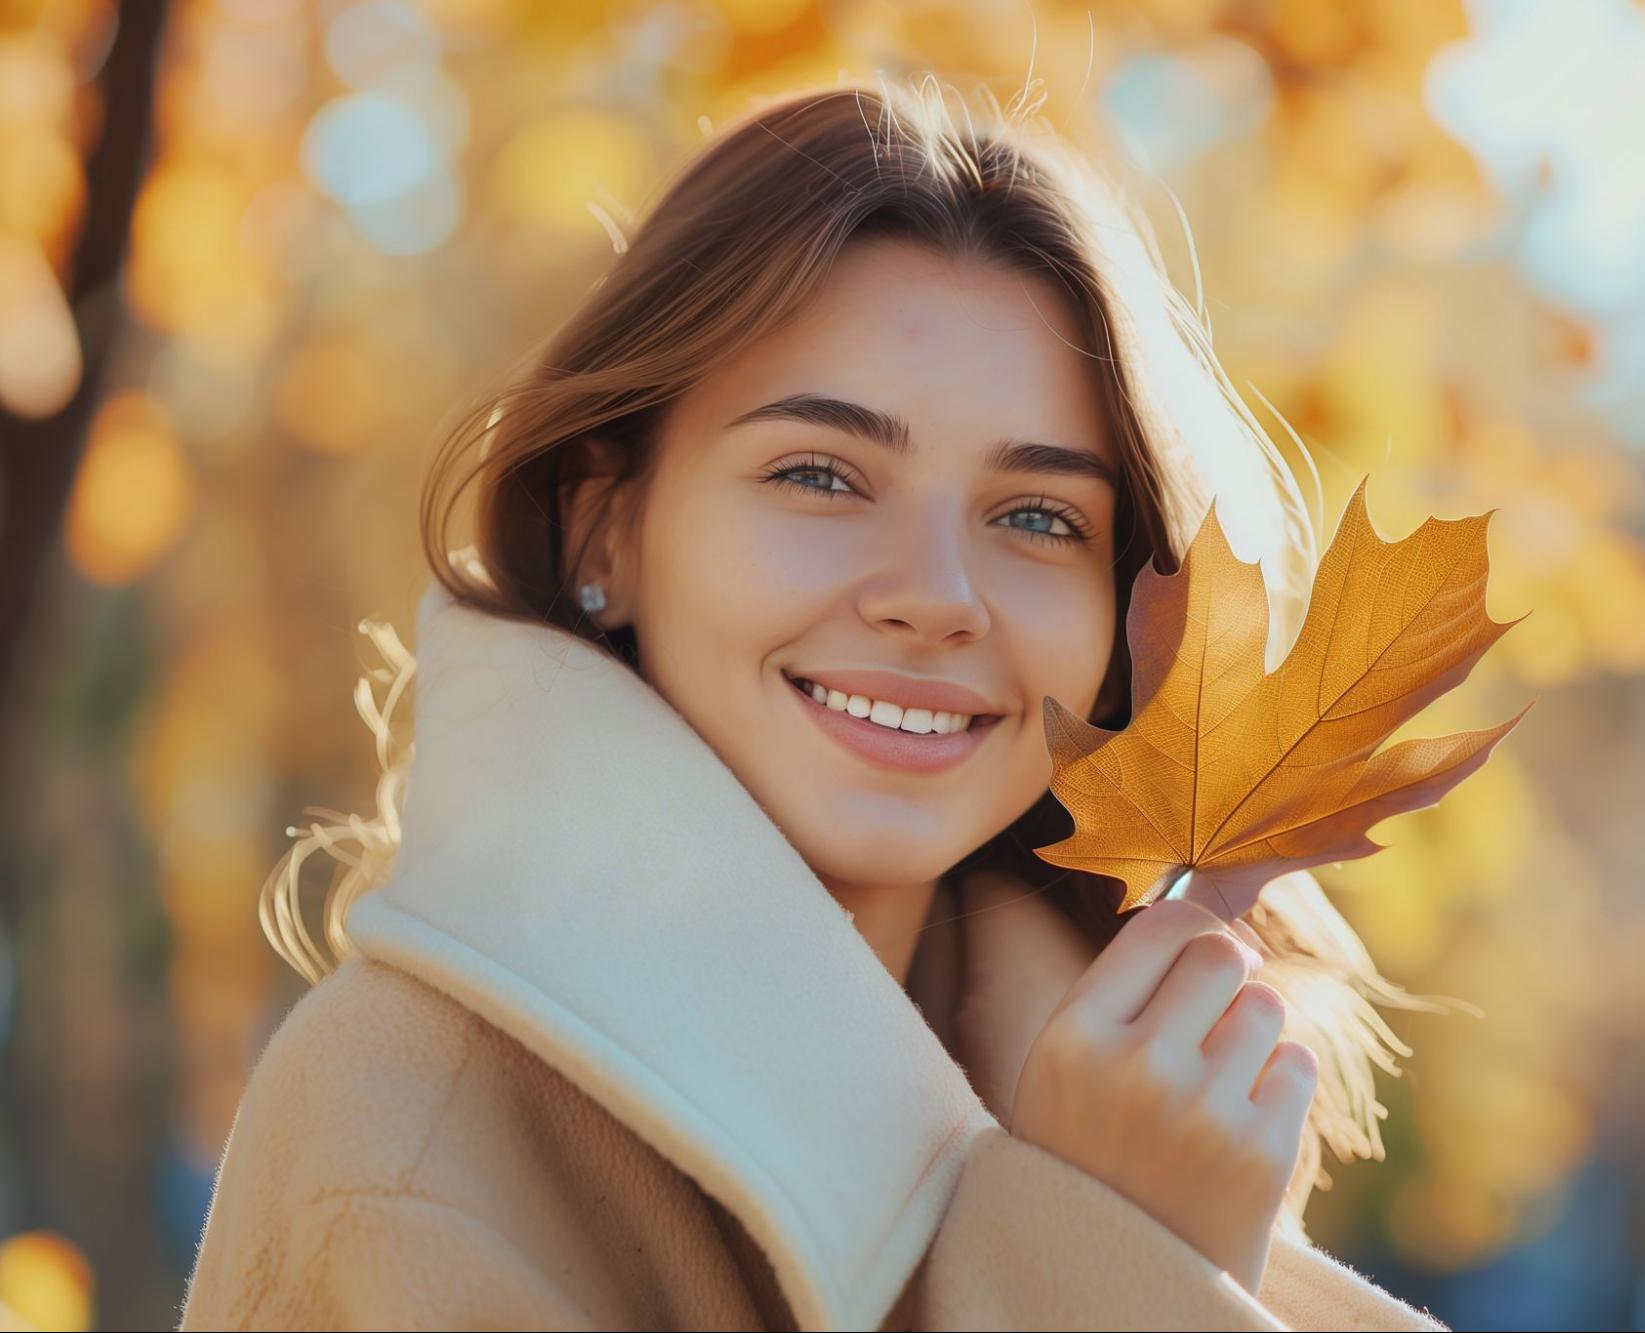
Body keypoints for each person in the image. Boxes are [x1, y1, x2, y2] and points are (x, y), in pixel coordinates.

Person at [177, 80, 1449, 1331]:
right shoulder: (403, 1123)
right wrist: (1101, 1267)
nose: (938, 597)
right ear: (604, 528)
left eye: (1037, 516)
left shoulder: (1141, 1102)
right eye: (820, 475)